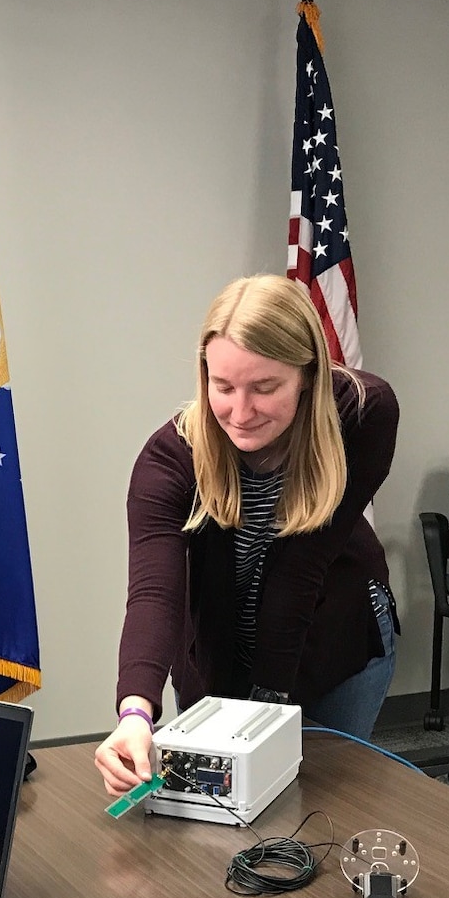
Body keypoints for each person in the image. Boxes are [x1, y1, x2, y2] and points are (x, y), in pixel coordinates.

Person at [96, 275, 400, 798]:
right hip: (217, 654)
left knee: (324, 808)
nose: (241, 413)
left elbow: (301, 570)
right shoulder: (169, 462)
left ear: (308, 375)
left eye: (265, 388)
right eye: (223, 387)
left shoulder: (363, 412)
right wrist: (136, 712)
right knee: (219, 826)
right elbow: (154, 595)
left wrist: (265, 714)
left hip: (335, 637)